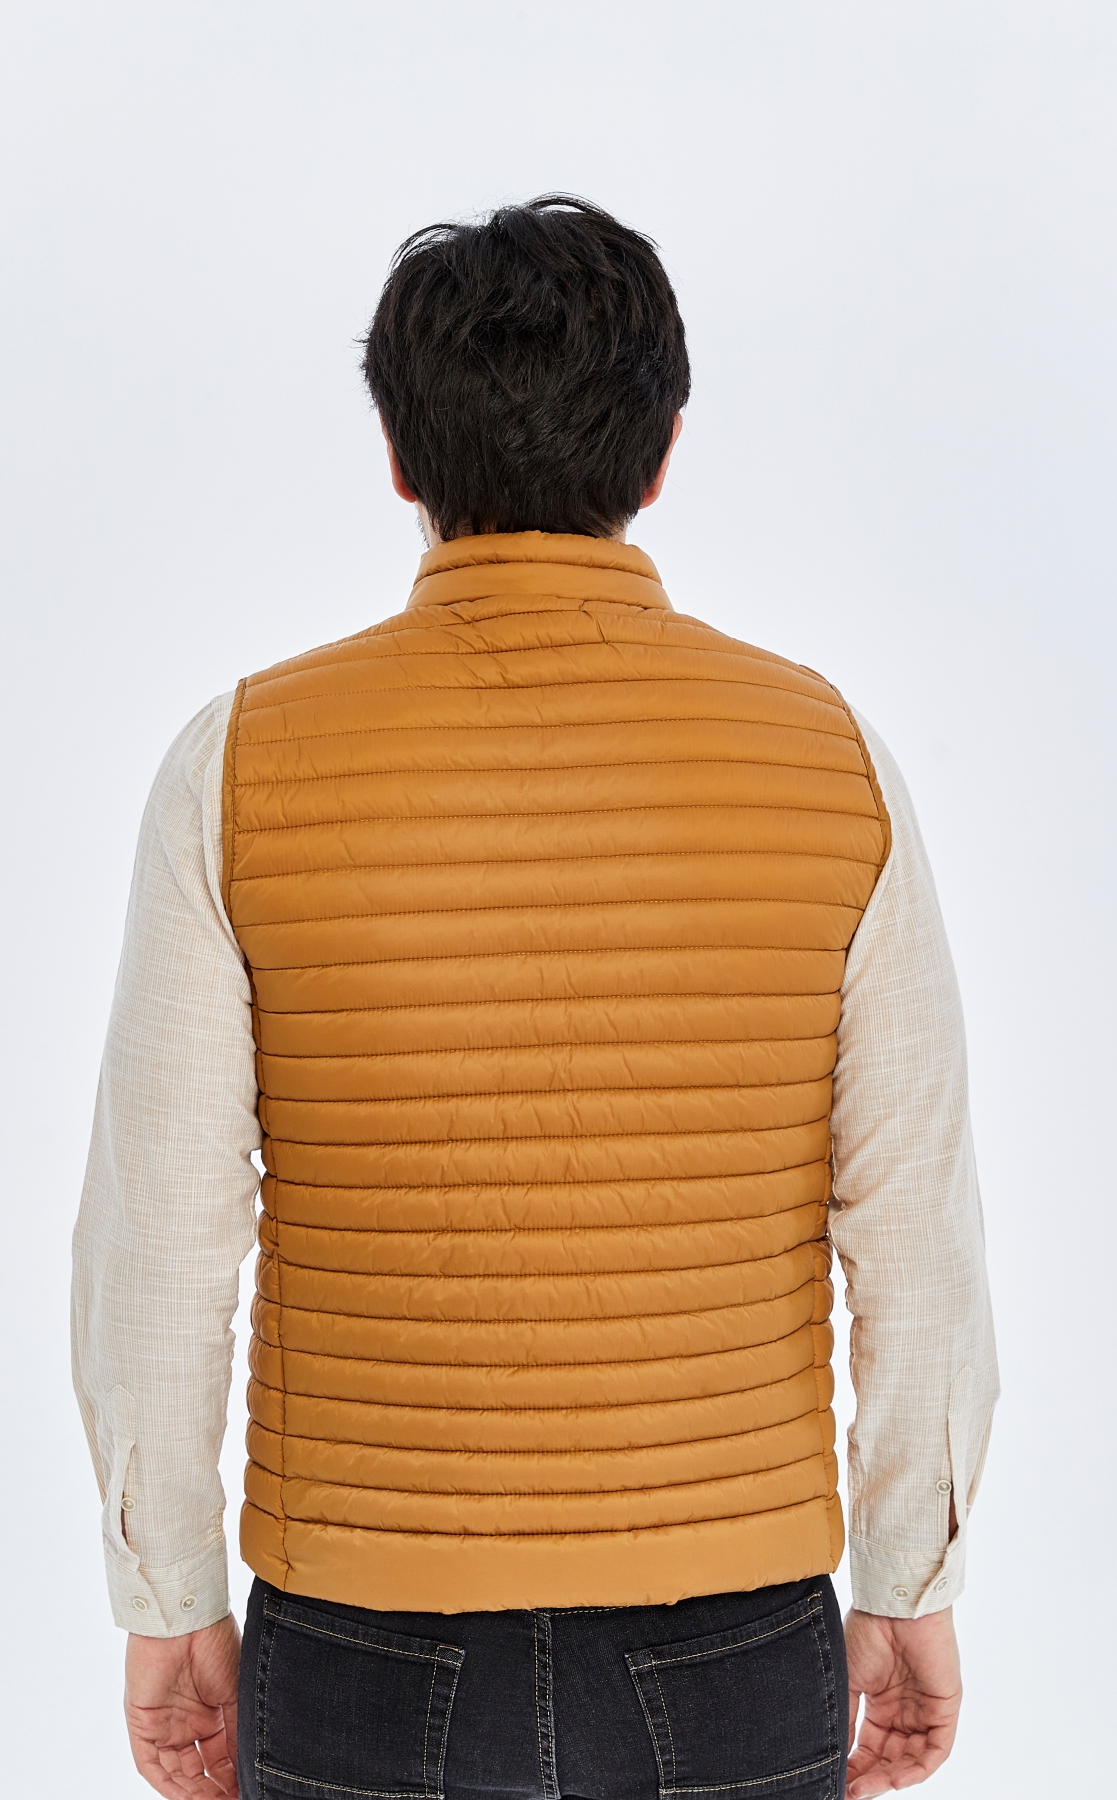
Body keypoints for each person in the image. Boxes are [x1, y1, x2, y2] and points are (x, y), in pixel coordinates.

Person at [72, 196, 999, 1800]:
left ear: (399, 456)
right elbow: (915, 1232)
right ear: (662, 452)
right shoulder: (830, 763)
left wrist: (167, 1601)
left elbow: (160, 1240)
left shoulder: (237, 768)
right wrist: (911, 1577)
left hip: (360, 1642)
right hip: (733, 1642)